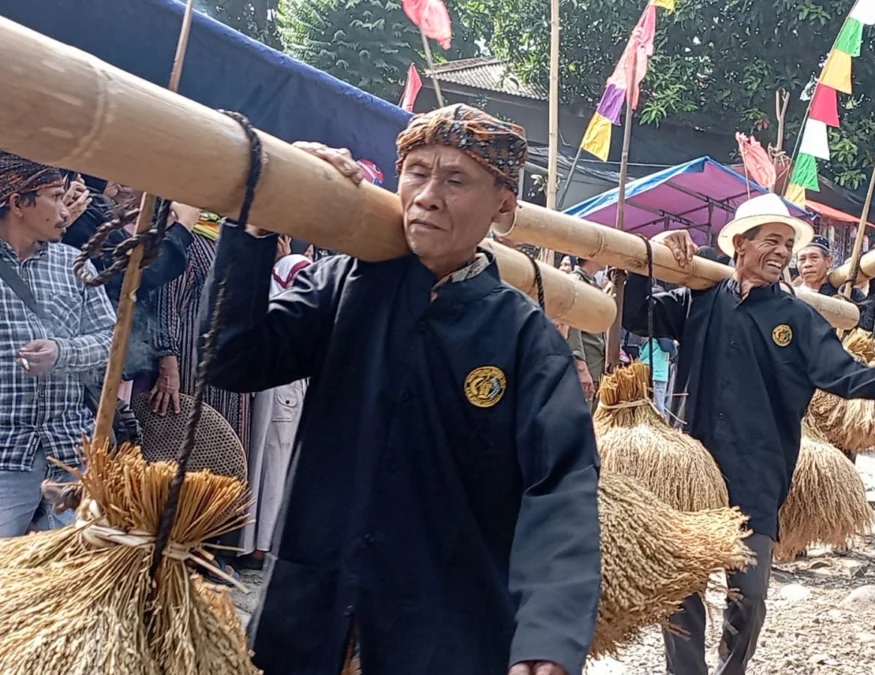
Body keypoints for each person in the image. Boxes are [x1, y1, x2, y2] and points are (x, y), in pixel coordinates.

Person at [201, 104, 601, 675]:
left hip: (445, 628)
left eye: (456, 179)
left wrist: (549, 634)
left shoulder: (524, 338)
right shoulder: (342, 284)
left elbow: (560, 487)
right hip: (312, 614)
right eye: (417, 171)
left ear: (504, 205)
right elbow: (231, 361)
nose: (428, 195)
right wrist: (257, 227)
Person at [621, 192, 875, 675]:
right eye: (771, 240)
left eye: (788, 244)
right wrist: (649, 255)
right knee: (681, 591)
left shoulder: (797, 318)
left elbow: (846, 375)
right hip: (690, 471)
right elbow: (634, 314)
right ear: (740, 245)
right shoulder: (700, 300)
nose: (782, 252)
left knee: (748, 594)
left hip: (758, 470)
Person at [0, 152, 115, 538]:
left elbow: (111, 341)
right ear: (18, 202)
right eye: (53, 196)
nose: (65, 211)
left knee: (72, 575)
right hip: (5, 453)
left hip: (70, 452)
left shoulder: (74, 264)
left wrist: (61, 353)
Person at [63, 183, 197, 401]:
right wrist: (182, 228)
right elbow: (133, 276)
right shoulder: (78, 215)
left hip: (107, 357)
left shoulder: (90, 208)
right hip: (81, 364)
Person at [237, 243, 312, 568]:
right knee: (276, 459)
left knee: (267, 456)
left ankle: (257, 541)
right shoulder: (299, 267)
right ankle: (262, 544)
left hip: (274, 376)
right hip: (287, 380)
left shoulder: (273, 273)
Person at [151, 211, 253, 447]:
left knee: (226, 449)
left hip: (231, 368)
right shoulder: (191, 239)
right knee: (189, 444)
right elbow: (168, 302)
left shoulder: (236, 241)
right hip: (192, 365)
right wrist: (167, 361)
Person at [794, 235, 875, 333]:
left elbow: (872, 325)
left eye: (814, 257)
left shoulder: (845, 293)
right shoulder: (792, 294)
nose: (807, 264)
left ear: (829, 261)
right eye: (802, 259)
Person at [564, 257, 607, 401]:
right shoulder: (576, 282)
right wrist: (580, 367)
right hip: (583, 370)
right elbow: (571, 328)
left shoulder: (592, 284)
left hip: (594, 368)